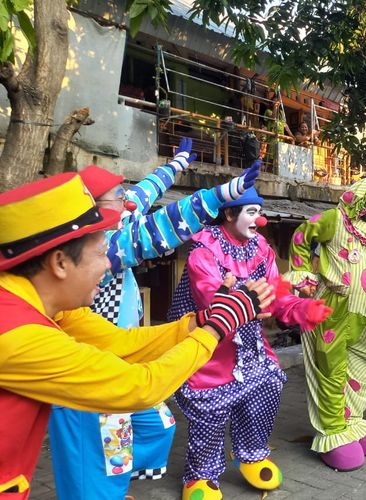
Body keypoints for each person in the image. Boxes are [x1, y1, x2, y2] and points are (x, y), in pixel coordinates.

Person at [0, 173, 272, 499]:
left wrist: (201, 321)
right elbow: (138, 386)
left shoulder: (52, 307)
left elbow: (122, 345)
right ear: (59, 262)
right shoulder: (16, 334)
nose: (108, 265)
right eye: (102, 253)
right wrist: (218, 326)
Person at [167, 188, 331, 498]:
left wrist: (300, 308)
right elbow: (212, 298)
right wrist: (267, 290)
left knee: (266, 386)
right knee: (210, 409)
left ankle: (253, 454)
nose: (261, 219)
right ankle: (200, 475)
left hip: (249, 342)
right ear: (229, 214)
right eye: (251, 212)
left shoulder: (261, 248)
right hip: (211, 341)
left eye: (259, 210)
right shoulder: (204, 249)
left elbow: (277, 296)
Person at [285, 175, 366, 472]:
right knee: (331, 371)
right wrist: (300, 274)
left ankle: (352, 420)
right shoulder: (335, 219)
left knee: (363, 366)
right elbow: (301, 236)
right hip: (333, 309)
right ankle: (332, 430)